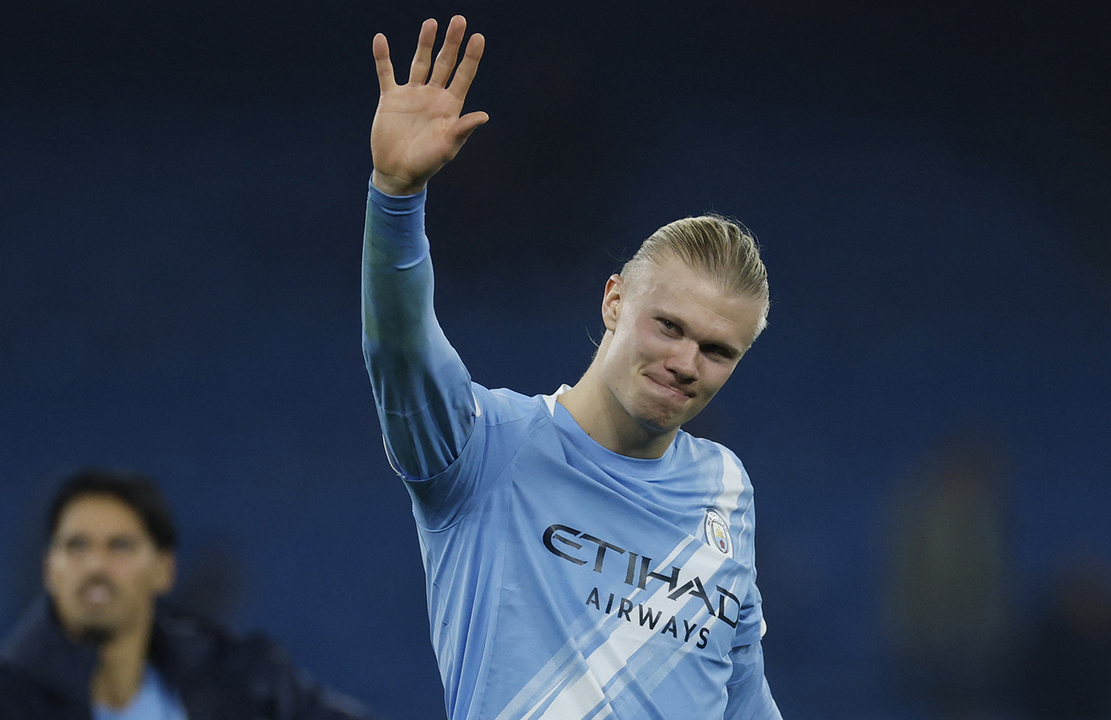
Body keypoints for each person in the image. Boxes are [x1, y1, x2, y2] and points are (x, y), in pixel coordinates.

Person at [361, 15, 781, 720]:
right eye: (669, 327)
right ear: (614, 300)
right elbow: (399, 347)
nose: (686, 363)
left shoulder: (725, 487)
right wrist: (396, 198)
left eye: (717, 351)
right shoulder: (483, 447)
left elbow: (743, 695)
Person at [0, 468, 381, 720]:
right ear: (49, 568)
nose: (96, 566)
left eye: (120, 546)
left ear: (163, 569)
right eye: (77, 546)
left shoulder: (242, 683)